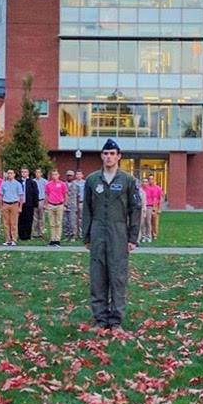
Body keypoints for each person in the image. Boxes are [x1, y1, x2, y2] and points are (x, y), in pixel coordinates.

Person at [83, 139, 141, 331]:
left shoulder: (128, 180)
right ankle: (100, 319)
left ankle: (116, 321)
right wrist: (87, 236)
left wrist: (133, 238)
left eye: (112, 153)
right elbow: (87, 209)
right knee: (98, 276)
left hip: (118, 233)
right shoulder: (92, 180)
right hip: (98, 232)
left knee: (117, 276)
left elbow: (136, 209)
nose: (108, 157)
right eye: (105, 153)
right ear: (101, 156)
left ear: (119, 156)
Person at [44, 169, 68, 246]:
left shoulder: (62, 184)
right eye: (53, 174)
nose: (54, 176)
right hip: (51, 205)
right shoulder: (48, 184)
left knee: (58, 223)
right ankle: (52, 239)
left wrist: (65, 204)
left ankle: (57, 240)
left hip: (60, 205)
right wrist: (46, 204)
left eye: (56, 174)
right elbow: (47, 195)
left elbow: (65, 195)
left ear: (58, 175)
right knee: (51, 224)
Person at [0, 169, 24, 246]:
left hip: (14, 204)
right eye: (8, 173)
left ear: (14, 174)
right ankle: (7, 240)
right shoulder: (4, 184)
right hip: (6, 204)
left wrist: (20, 207)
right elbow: (1, 195)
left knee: (14, 223)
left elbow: (21, 196)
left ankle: (14, 239)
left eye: (11, 173)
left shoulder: (17, 184)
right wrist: (1, 206)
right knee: (6, 223)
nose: (9, 174)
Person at [17, 167, 38, 241]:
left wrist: (35, 204)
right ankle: (21, 235)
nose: (24, 173)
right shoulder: (18, 182)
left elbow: (35, 193)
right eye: (22, 172)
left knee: (29, 220)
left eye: (25, 172)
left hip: (29, 204)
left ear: (28, 173)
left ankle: (28, 235)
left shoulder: (32, 182)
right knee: (21, 220)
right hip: (20, 204)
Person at [146, 175, 164, 240]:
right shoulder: (146, 188)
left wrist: (160, 208)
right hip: (147, 206)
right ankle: (148, 234)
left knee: (155, 221)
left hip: (155, 207)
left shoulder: (158, 188)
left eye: (152, 179)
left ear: (154, 180)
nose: (151, 180)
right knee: (148, 222)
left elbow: (161, 199)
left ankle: (155, 234)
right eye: (149, 179)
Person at [64, 170, 79, 240]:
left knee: (73, 221)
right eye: (68, 175)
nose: (69, 177)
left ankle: (74, 235)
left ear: (73, 176)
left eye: (70, 175)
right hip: (65, 205)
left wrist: (78, 206)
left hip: (73, 206)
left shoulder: (76, 185)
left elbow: (78, 196)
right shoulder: (63, 184)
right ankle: (67, 235)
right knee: (66, 221)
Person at [33, 168, 48, 239]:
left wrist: (46, 203)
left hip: (42, 200)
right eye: (36, 172)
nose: (37, 174)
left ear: (41, 173)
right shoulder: (33, 181)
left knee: (41, 218)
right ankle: (35, 233)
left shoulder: (45, 182)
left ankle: (41, 233)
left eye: (39, 172)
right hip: (35, 201)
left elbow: (47, 193)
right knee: (35, 218)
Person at [139, 176, 152, 242]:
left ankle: (149, 236)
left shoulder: (150, 189)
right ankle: (143, 236)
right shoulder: (139, 190)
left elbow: (154, 198)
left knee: (148, 222)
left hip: (149, 206)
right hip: (141, 207)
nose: (145, 183)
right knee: (142, 222)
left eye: (146, 182)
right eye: (143, 181)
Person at [75, 170, 86, 238]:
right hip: (74, 203)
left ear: (82, 175)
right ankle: (75, 233)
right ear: (76, 175)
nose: (78, 176)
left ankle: (81, 233)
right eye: (77, 174)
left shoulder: (85, 183)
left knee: (81, 218)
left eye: (80, 174)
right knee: (74, 219)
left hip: (82, 202)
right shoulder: (73, 183)